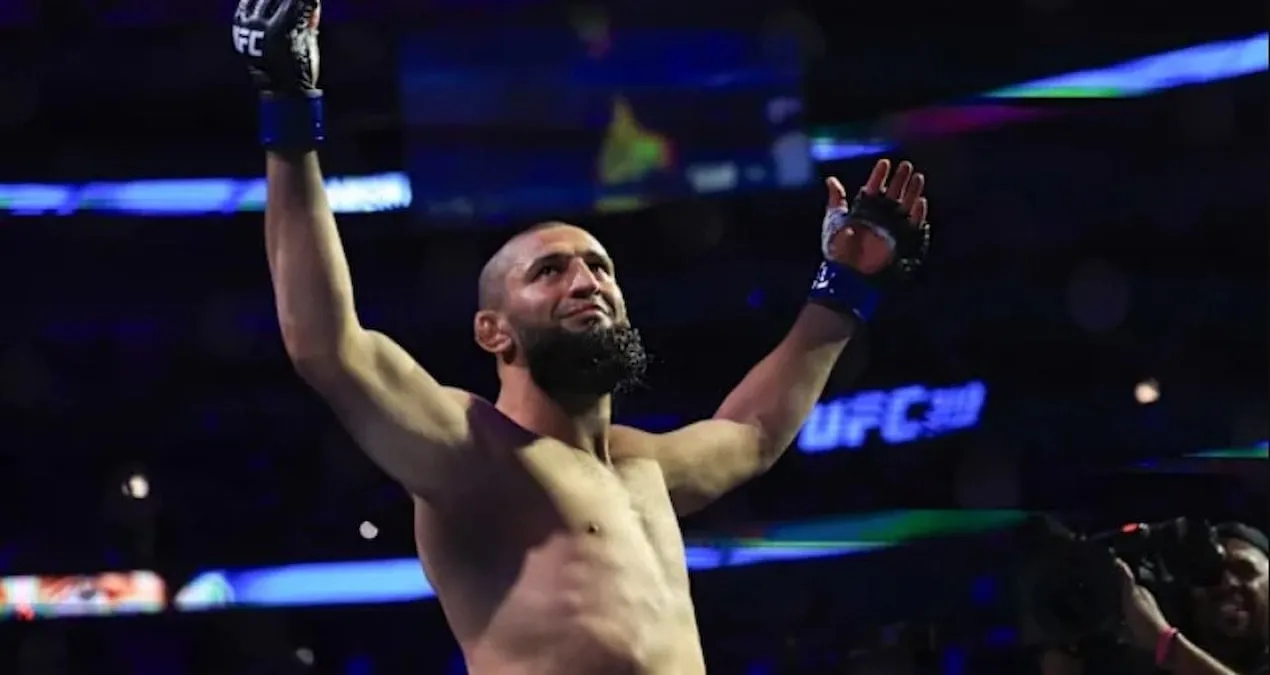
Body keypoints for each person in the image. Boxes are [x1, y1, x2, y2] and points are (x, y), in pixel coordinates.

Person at [231, 2, 931, 674]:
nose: (587, 281)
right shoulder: (474, 455)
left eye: (600, 267)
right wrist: (289, 114)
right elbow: (328, 346)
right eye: (550, 271)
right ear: (492, 331)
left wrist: (844, 287)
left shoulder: (645, 467)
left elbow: (752, 432)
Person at [1041, 523, 1269, 675]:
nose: (1225, 584)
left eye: (1245, 570)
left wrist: (1166, 644)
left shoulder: (1168, 650)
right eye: (1209, 576)